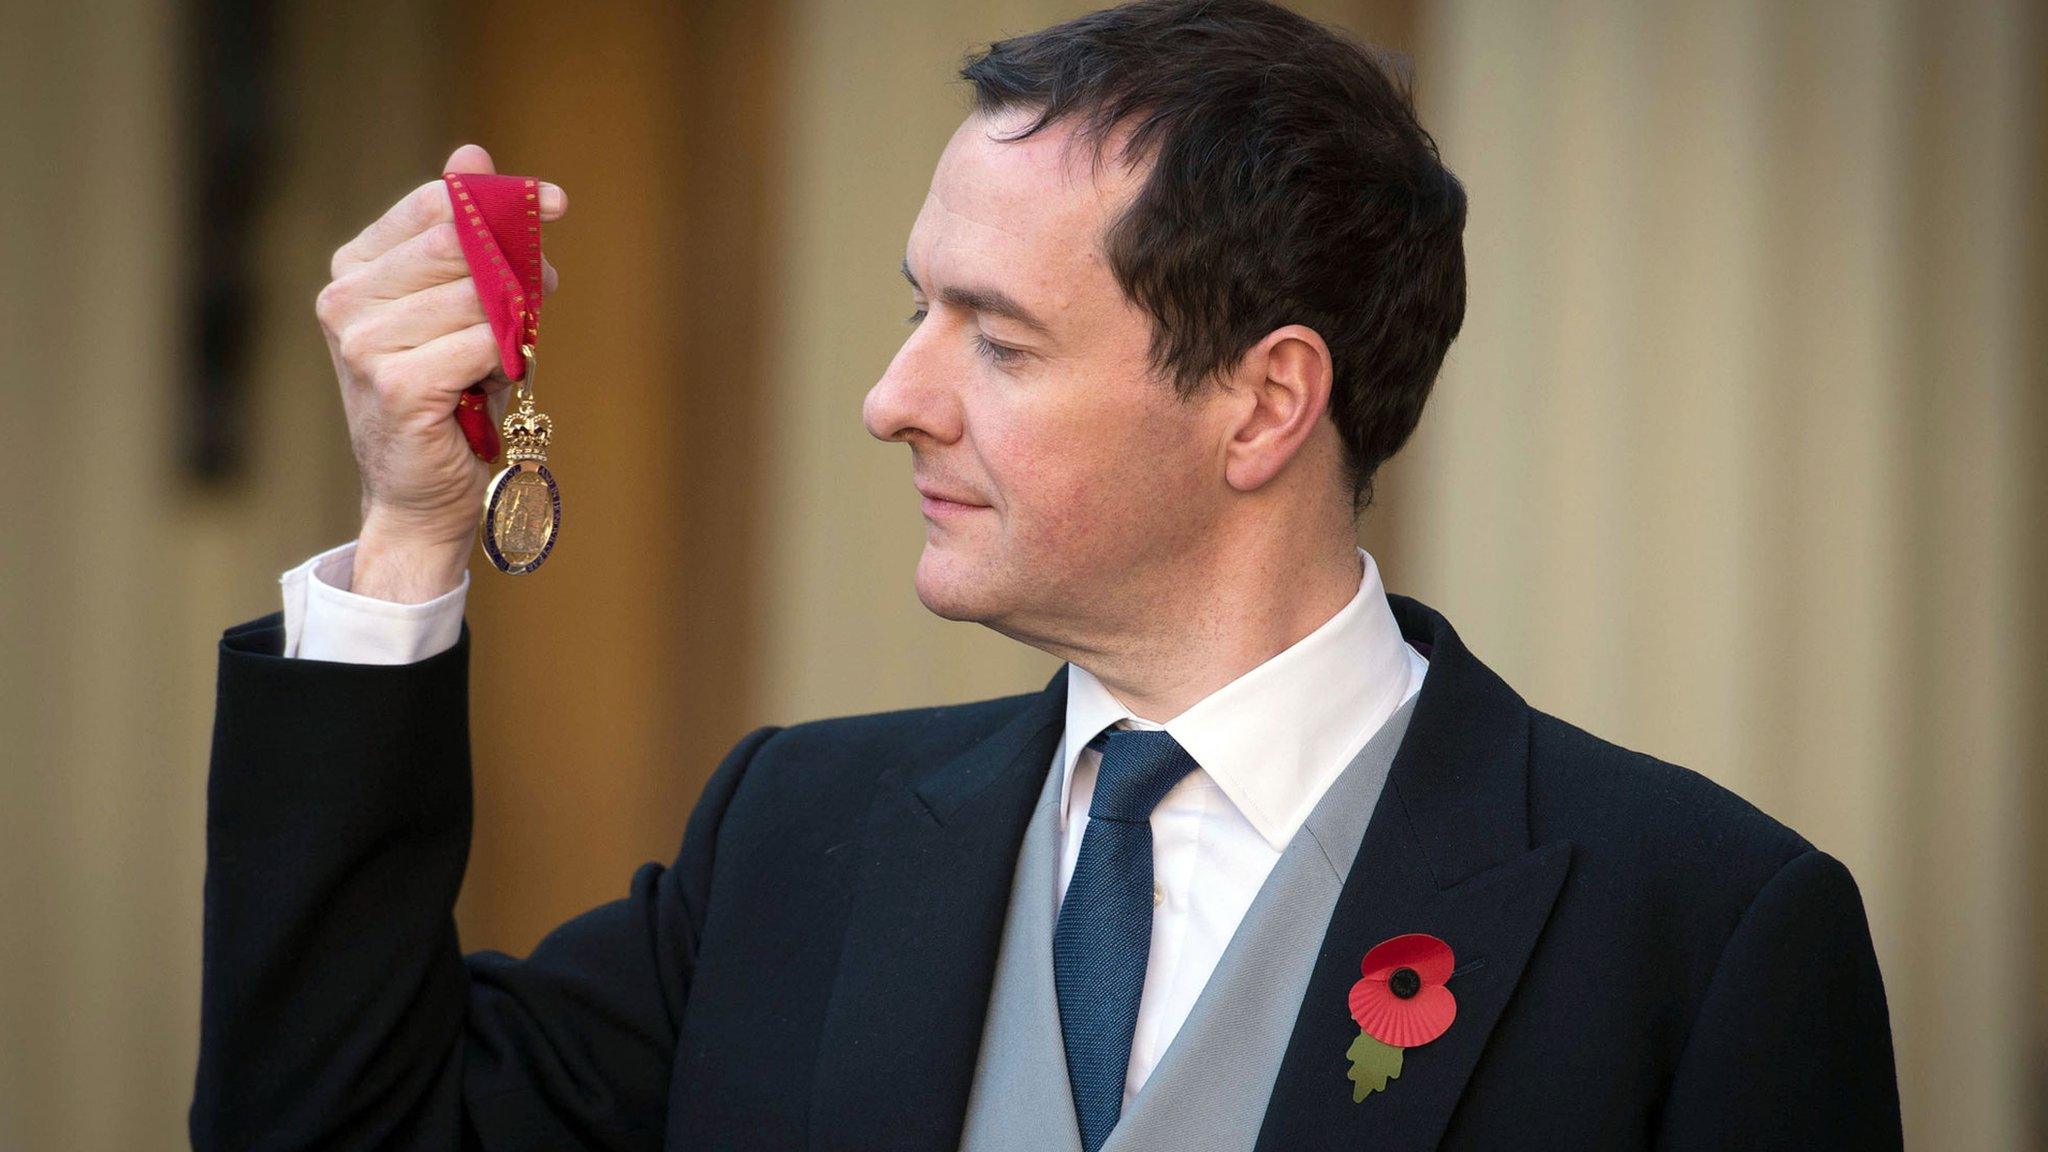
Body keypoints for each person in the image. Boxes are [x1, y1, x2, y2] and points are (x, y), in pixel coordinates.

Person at [190, 1, 1902, 1149]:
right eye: (917, 304)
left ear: (1265, 401)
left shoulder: (1702, 932)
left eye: (994, 340)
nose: (891, 397)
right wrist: (413, 532)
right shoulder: (793, 837)